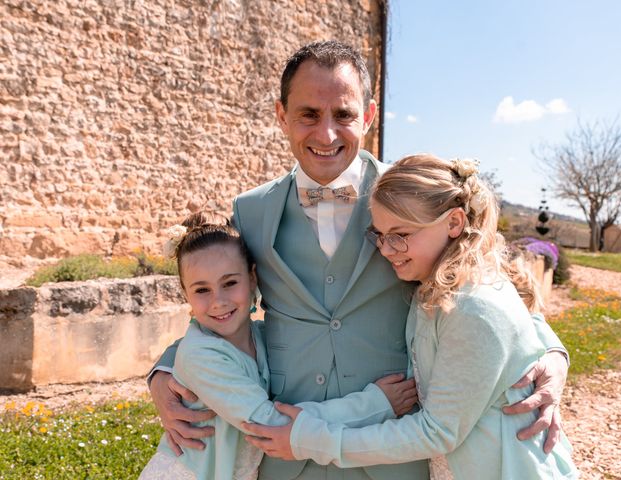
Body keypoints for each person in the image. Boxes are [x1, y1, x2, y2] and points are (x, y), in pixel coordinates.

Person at [149, 41, 570, 480]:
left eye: (344, 115)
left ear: (367, 116)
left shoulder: (411, 196)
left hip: (394, 449)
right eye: (309, 114)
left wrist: (552, 355)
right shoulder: (251, 210)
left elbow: (485, 282)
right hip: (284, 449)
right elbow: (220, 299)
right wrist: (164, 370)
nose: (326, 134)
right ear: (281, 115)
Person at [242, 155, 579, 479]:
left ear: (454, 222)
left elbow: (437, 431)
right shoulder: (438, 285)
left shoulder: (471, 305)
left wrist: (312, 440)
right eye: (380, 235)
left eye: (400, 236)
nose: (386, 250)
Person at [140, 212, 417, 480]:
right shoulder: (201, 355)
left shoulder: (262, 336)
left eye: (230, 283)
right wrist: (375, 404)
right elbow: (270, 426)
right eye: (202, 290)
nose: (218, 301)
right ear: (184, 292)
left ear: (252, 279)